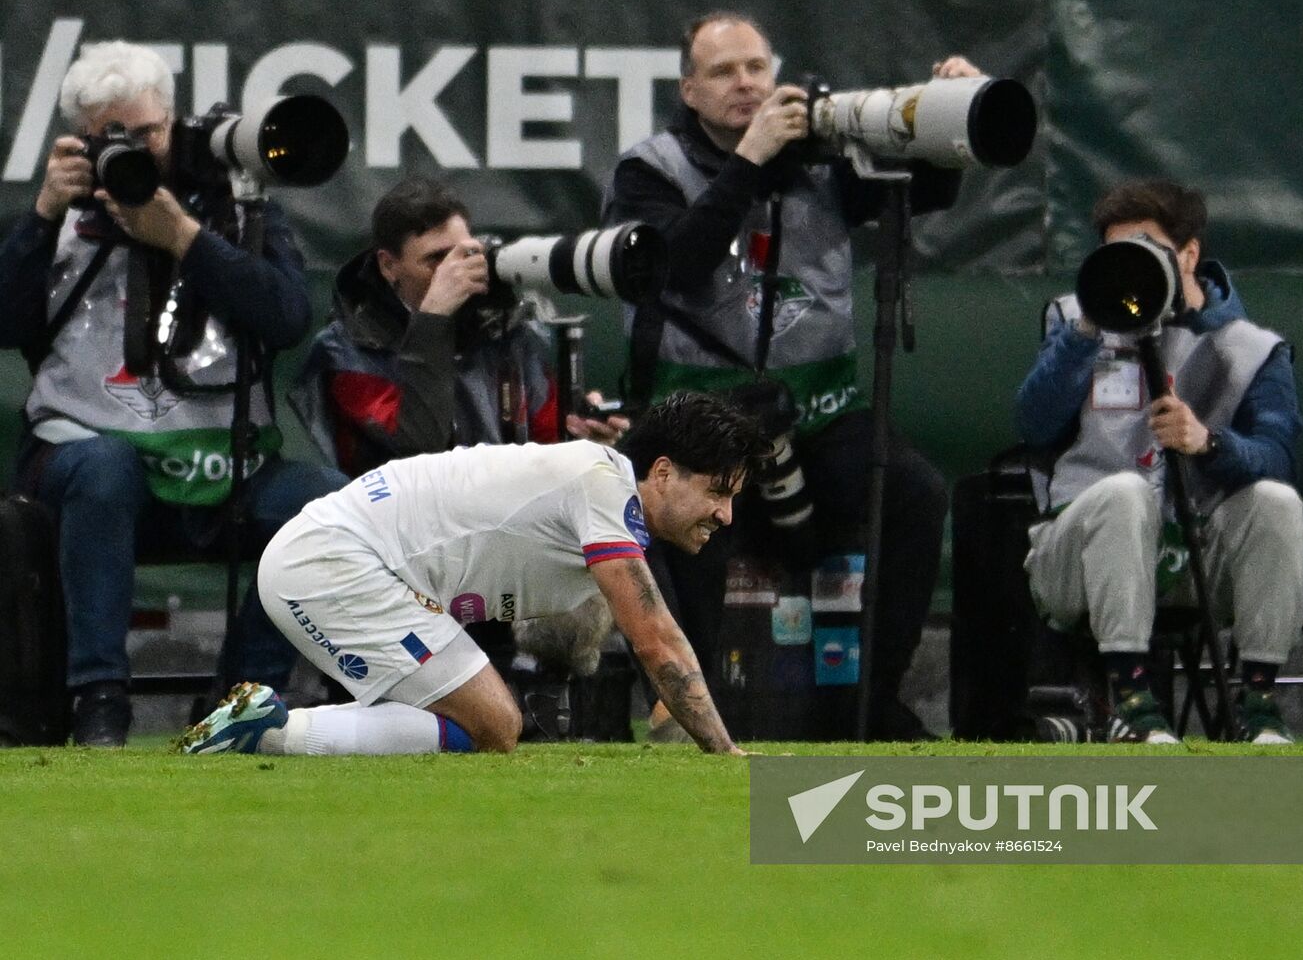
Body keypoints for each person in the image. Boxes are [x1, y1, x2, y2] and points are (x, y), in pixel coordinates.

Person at [601, 11, 975, 739]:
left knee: (914, 492)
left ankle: (869, 706)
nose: (745, 83)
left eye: (756, 68)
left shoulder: (824, 152)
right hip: (697, 421)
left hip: (820, 414)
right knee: (679, 524)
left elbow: (922, 191)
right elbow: (674, 266)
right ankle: (684, 713)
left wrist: (944, 115)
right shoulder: (649, 170)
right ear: (689, 90)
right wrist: (749, 162)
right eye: (723, 72)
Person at [0, 41, 346, 746]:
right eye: (113, 138)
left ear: (175, 121)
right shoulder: (63, 212)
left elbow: (285, 316)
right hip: (86, 457)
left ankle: (240, 697)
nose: (138, 150)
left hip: (226, 466)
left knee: (325, 508)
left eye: (150, 133)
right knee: (104, 471)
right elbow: (7, 321)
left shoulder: (234, 204)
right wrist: (39, 216)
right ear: (81, 138)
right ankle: (99, 699)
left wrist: (186, 237)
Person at [177, 391, 770, 756]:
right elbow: (655, 638)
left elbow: (596, 634)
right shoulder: (602, 486)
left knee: (473, 724)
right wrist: (724, 750)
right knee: (494, 723)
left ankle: (266, 726)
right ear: (662, 473)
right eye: (717, 491)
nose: (726, 514)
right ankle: (271, 731)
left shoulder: (604, 501)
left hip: (334, 559)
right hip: (336, 562)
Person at [1015, 179, 1303, 745]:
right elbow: (1032, 424)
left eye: (1146, 248)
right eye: (1115, 253)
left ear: (1189, 254)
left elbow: (1279, 458)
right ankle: (1131, 702)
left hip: (1196, 562)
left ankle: (1259, 705)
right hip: (1078, 558)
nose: (1130, 265)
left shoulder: (1251, 347)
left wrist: (1210, 443)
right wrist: (1089, 328)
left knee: (1277, 502)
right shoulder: (1075, 318)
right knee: (1125, 492)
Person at [289, 176, 629, 477]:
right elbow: (420, 446)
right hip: (397, 523)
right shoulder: (347, 350)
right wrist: (434, 317)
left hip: (502, 507)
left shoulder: (503, 327)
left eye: (462, 253)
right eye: (435, 259)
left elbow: (544, 440)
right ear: (389, 266)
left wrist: (578, 433)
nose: (455, 270)